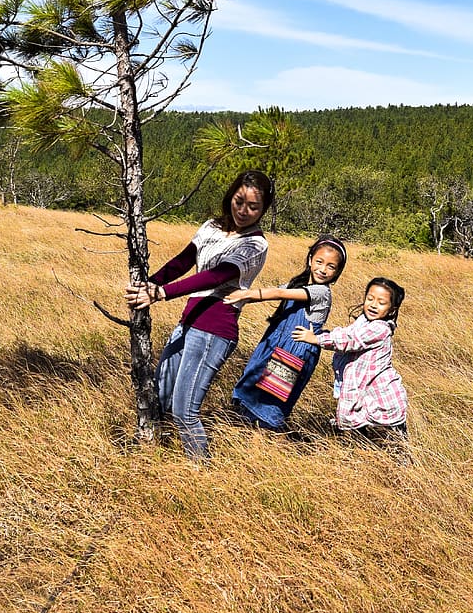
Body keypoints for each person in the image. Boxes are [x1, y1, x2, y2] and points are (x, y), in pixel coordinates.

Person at [125, 170, 274, 460]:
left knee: (185, 411)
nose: (243, 210)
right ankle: (153, 457)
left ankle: (201, 471)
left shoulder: (256, 244)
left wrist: (162, 293)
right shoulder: (211, 227)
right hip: (188, 322)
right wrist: (149, 283)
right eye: (239, 200)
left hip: (214, 330)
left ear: (263, 210)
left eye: (253, 206)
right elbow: (184, 260)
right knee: (161, 397)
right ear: (230, 195)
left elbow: (215, 277)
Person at [226, 236, 347, 432]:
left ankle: (268, 444)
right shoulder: (298, 284)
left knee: (271, 403)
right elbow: (277, 291)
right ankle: (244, 434)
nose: (323, 269)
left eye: (331, 266)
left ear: (338, 271)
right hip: (277, 346)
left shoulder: (322, 292)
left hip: (294, 352)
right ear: (309, 260)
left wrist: (246, 294)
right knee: (253, 391)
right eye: (319, 262)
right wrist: (240, 296)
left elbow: (279, 293)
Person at [293, 276, 408, 442]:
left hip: (382, 397)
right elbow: (347, 334)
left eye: (381, 302)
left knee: (394, 443)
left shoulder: (380, 329)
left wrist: (317, 338)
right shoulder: (363, 321)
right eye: (370, 299)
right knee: (363, 437)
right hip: (366, 393)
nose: (374, 305)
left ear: (391, 309)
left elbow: (349, 340)